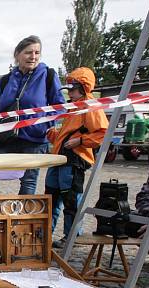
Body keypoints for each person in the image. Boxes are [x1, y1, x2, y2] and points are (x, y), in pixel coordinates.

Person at [0, 35, 65, 196]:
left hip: (34, 140)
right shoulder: (5, 81)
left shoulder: (49, 76)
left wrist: (41, 125)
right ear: (17, 55)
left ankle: (21, 220)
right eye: (28, 52)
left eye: (37, 52)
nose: (33, 56)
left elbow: (61, 108)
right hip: (4, 138)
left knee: (28, 181)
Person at [45, 67, 107, 248]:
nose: (69, 93)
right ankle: (45, 235)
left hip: (74, 160)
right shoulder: (74, 107)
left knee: (70, 199)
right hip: (59, 158)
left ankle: (72, 236)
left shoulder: (91, 106)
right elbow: (67, 135)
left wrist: (81, 140)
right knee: (51, 198)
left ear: (82, 87)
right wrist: (55, 135)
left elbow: (103, 133)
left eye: (72, 89)